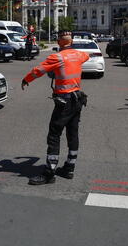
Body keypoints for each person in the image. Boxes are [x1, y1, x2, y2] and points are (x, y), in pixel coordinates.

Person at [21, 31, 90, 185]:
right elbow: (86, 57)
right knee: (73, 134)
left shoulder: (57, 57)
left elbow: (38, 71)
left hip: (64, 102)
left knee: (54, 135)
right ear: (71, 42)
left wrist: (26, 80)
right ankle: (69, 168)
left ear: (59, 43)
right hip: (77, 100)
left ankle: (49, 173)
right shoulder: (79, 55)